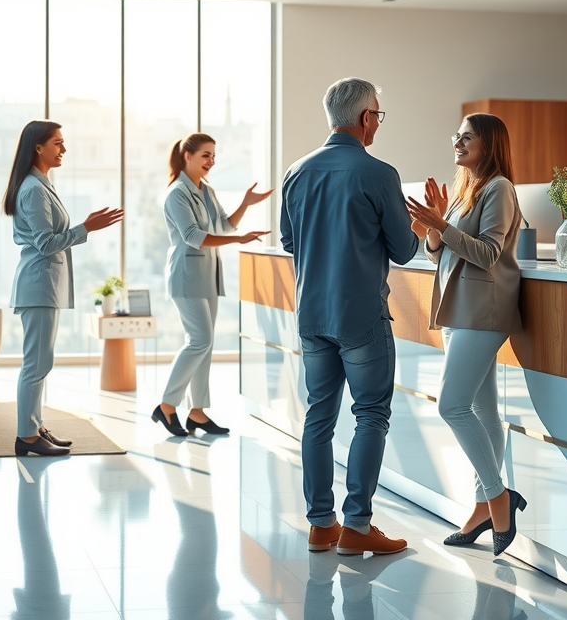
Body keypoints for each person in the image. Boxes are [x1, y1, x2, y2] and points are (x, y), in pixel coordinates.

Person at [280, 77, 419, 556]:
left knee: (319, 416)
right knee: (371, 415)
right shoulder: (379, 173)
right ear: (365, 118)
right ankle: (357, 525)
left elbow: (288, 241)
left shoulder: (296, 171)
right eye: (377, 115)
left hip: (312, 314)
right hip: (361, 316)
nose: (377, 123)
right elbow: (404, 250)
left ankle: (321, 525)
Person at [404, 113, 526, 556]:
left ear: (489, 143)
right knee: (483, 412)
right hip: (458, 309)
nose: (457, 141)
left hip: (483, 311)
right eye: (456, 135)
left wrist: (441, 226)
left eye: (467, 136)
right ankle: (481, 506)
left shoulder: (500, 188)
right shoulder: (466, 189)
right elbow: (442, 253)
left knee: (451, 405)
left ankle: (499, 497)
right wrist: (431, 231)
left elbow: (489, 253)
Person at [4, 120, 124, 457]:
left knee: (42, 361)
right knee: (36, 363)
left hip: (44, 286)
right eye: (58, 143)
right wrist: (87, 227)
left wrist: (85, 227)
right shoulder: (32, 188)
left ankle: (35, 426)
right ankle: (26, 437)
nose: (64, 150)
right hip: (38, 285)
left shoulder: (40, 185)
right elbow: (45, 244)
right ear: (38, 147)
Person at [153, 133, 272, 437]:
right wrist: (238, 239)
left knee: (204, 346)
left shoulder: (206, 191)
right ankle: (167, 405)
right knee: (199, 340)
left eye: (214, 155)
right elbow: (193, 236)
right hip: (186, 275)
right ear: (187, 157)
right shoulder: (176, 193)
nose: (211, 161)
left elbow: (223, 226)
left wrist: (245, 204)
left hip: (208, 275)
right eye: (206, 155)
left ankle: (197, 413)